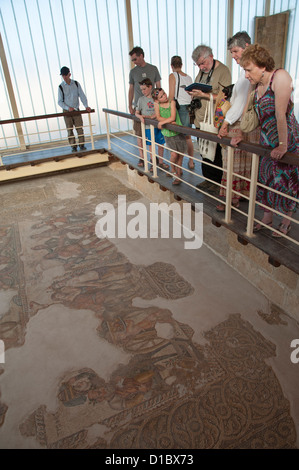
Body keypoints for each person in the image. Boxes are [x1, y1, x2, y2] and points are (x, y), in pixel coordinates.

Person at [239, 44, 299, 237]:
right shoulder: (255, 84)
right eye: (244, 70)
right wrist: (240, 134)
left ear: (262, 65)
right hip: (266, 140)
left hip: (287, 139)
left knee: (287, 181)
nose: (246, 74)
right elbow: (250, 113)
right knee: (265, 179)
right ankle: (268, 216)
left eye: (248, 69)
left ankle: (287, 220)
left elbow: (280, 114)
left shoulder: (280, 77)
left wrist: (283, 145)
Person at [216, 31, 254, 211]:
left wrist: (225, 123)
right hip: (237, 121)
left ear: (246, 47)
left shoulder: (250, 72)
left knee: (234, 162)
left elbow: (241, 102)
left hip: (241, 124)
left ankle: (232, 198)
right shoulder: (244, 72)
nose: (233, 56)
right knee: (231, 162)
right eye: (231, 53)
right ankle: (233, 198)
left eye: (235, 51)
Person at [190, 45, 231, 191]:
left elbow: (225, 96)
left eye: (203, 63)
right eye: (198, 64)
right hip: (201, 118)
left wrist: (204, 95)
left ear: (211, 57)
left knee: (216, 152)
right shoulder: (201, 72)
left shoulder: (223, 71)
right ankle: (207, 179)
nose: (201, 67)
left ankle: (217, 182)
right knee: (203, 150)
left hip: (215, 119)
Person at [128, 47, 161, 164]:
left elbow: (158, 88)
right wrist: (130, 105)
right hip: (139, 108)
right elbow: (131, 89)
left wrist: (159, 105)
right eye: (132, 60)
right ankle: (142, 157)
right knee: (139, 134)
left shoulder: (153, 69)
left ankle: (154, 156)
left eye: (135, 59)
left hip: (152, 108)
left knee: (153, 134)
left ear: (141, 56)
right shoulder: (133, 72)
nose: (134, 62)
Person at [152, 87, 187, 185]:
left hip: (177, 131)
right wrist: (168, 122)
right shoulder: (157, 105)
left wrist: (163, 122)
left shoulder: (172, 102)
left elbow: (173, 117)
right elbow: (158, 117)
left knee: (180, 155)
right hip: (168, 133)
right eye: (161, 96)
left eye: (164, 93)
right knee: (174, 154)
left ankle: (178, 174)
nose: (165, 96)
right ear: (157, 100)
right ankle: (173, 169)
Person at [135, 78, 169, 171]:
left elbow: (162, 109)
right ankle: (153, 163)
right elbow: (136, 112)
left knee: (161, 144)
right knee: (151, 145)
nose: (143, 91)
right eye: (141, 89)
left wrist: (153, 116)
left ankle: (161, 162)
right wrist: (141, 117)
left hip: (159, 125)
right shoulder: (141, 99)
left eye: (144, 89)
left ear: (150, 87)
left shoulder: (156, 98)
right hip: (148, 127)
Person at [168, 55, 194, 170]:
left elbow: (171, 96)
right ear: (181, 65)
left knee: (178, 137)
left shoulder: (172, 76)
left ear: (172, 66)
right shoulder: (188, 78)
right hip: (189, 108)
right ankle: (191, 161)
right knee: (188, 136)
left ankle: (177, 167)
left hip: (179, 108)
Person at [58, 66, 91, 152]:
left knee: (79, 128)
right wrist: (67, 108)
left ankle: (82, 145)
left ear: (69, 74)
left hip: (76, 110)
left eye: (66, 75)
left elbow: (82, 95)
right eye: (63, 76)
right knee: (69, 129)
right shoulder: (61, 87)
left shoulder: (76, 84)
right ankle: (73, 146)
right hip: (67, 111)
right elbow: (59, 101)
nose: (64, 77)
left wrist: (86, 106)